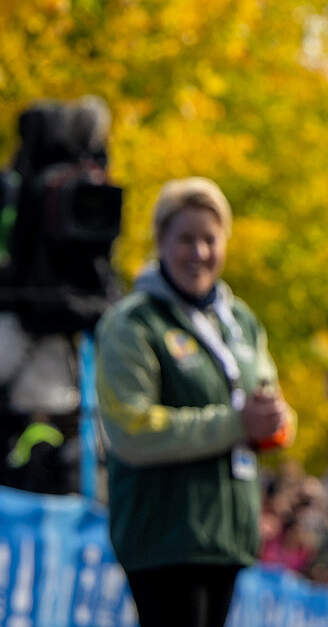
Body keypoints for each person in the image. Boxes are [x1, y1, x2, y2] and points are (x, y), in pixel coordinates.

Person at [95, 176, 294, 627]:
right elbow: (132, 431)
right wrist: (238, 424)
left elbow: (267, 399)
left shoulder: (239, 320)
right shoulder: (133, 324)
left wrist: (279, 420)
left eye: (210, 239)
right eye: (185, 239)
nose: (199, 253)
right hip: (164, 537)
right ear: (160, 241)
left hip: (227, 535)